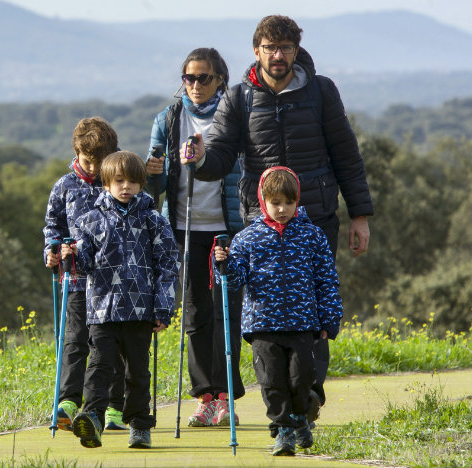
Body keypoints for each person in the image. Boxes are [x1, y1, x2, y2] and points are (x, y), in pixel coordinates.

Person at [185, 14, 374, 421]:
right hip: (260, 224)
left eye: (285, 48)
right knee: (267, 316)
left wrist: (359, 215)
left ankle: (307, 400)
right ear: (257, 51)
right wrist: (200, 158)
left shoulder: (321, 92)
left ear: (295, 51)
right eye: (270, 47)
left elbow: (347, 156)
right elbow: (217, 155)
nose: (277, 55)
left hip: (317, 218)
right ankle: (280, 405)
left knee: (315, 309)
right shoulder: (239, 98)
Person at [145, 47, 246, 427]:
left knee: (225, 312)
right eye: (189, 77)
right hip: (183, 228)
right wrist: (152, 172)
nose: (196, 85)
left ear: (220, 78)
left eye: (204, 77)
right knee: (195, 315)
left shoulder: (233, 116)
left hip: (227, 228)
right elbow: (154, 185)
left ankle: (225, 396)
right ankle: (205, 396)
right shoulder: (168, 119)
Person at [212, 166, 342, 456]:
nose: (282, 209)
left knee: (301, 378)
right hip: (263, 325)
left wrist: (329, 319)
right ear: (262, 201)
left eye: (289, 202)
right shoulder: (247, 239)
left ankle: (299, 419)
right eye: (275, 203)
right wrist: (222, 263)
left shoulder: (313, 236)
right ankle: (283, 430)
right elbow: (234, 280)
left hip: (302, 323)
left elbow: (327, 280)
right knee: (272, 382)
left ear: (297, 201)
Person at [61, 151, 179, 449]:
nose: (125, 186)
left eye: (132, 181)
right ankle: (93, 418)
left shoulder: (154, 220)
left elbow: (168, 265)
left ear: (141, 184)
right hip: (102, 310)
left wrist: (163, 308)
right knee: (99, 367)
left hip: (141, 311)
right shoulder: (89, 221)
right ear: (106, 184)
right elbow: (84, 265)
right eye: (118, 181)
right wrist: (72, 255)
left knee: (137, 372)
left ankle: (140, 425)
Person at [43, 117, 129, 432]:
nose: (93, 168)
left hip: (113, 284)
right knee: (75, 339)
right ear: (77, 153)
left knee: (109, 346)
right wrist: (52, 250)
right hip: (76, 280)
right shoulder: (63, 186)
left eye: (100, 162)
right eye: (87, 161)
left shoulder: (119, 184)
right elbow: (53, 225)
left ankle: (112, 409)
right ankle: (67, 403)